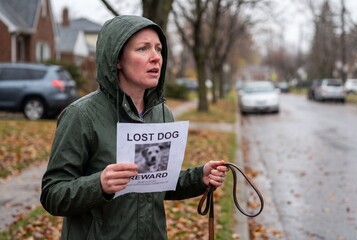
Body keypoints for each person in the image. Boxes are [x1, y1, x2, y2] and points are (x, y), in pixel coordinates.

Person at [40, 15, 228, 240]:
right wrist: (99, 184)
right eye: (143, 49)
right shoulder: (81, 115)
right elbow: (53, 194)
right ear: (117, 59)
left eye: (158, 49)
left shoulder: (162, 113)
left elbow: (157, 183)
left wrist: (199, 178)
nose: (156, 58)